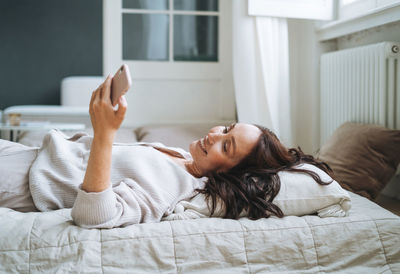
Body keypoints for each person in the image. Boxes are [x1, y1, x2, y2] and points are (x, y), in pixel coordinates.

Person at [0, 76, 333, 228]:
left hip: (23, 181)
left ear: (230, 172)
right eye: (227, 128)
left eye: (226, 145)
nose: (214, 135)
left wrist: (104, 133)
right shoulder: (181, 158)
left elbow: (95, 216)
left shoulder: (173, 188)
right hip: (24, 153)